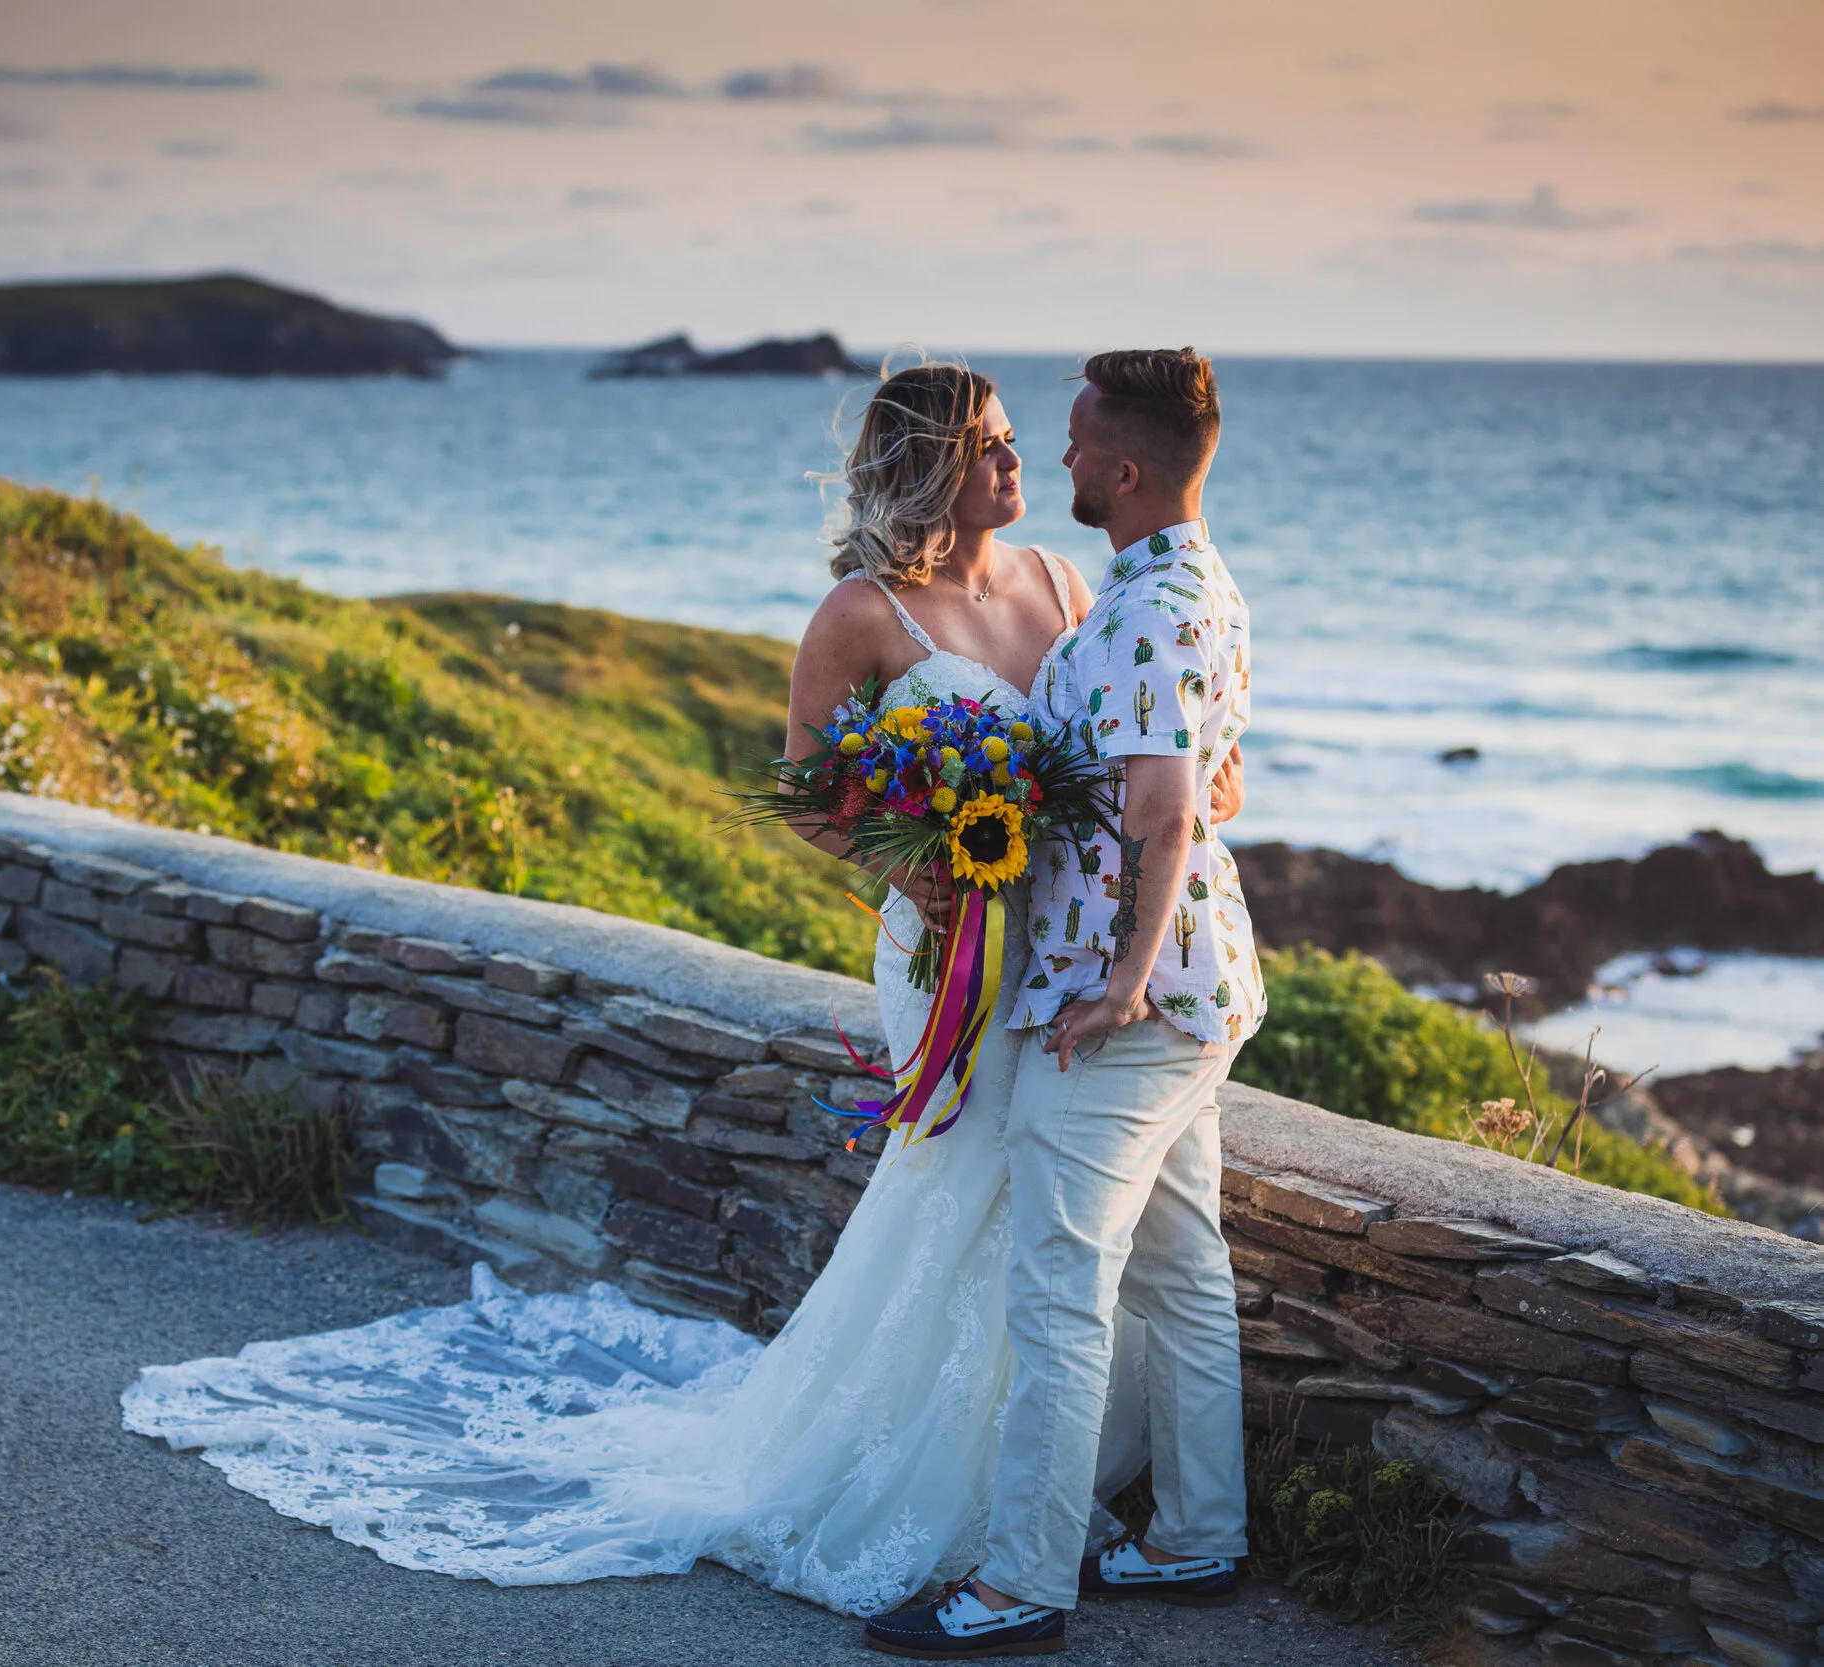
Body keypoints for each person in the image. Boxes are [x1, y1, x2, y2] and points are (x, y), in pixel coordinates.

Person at [119, 361, 1243, 1629]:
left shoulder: (1064, 581)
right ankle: (921, 1477)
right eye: (987, 441)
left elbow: (1142, 733)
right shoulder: (859, 613)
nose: (1014, 459)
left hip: (1054, 947)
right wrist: (916, 860)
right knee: (959, 1184)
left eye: (1018, 439)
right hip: (945, 947)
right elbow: (814, 790)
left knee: (1039, 1230)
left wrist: (1211, 779)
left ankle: (1006, 1492)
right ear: (929, 462)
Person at [863, 349, 1262, 1660]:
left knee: (1060, 1286)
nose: (1061, 461)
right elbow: (1212, 778)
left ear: (1127, 468)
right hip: (1211, 988)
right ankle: (1201, 1537)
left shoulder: (1143, 610)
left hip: (1128, 1006)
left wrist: (1124, 980)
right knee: (1184, 1268)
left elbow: (1162, 808)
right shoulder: (1198, 581)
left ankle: (1018, 1583)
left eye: (1080, 444)